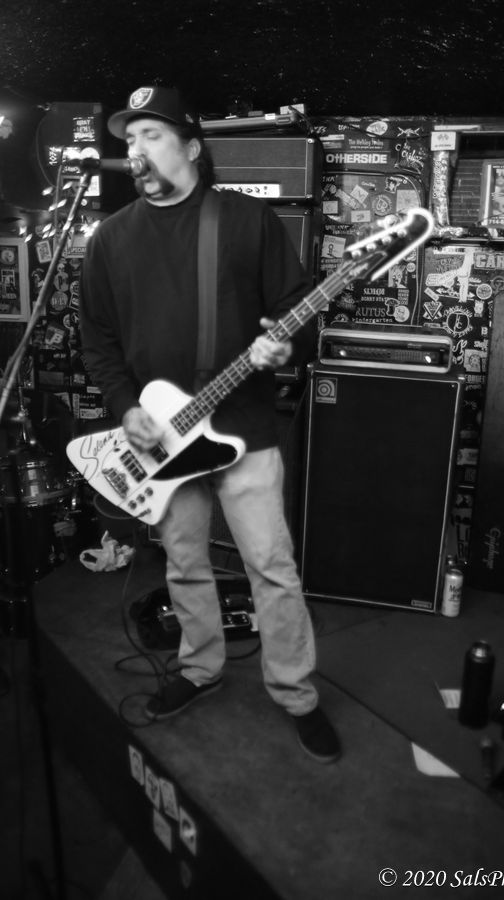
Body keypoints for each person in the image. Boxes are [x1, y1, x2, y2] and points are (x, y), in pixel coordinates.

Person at [78, 85, 341, 764]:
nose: (136, 149)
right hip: (161, 440)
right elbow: (98, 339)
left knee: (270, 566)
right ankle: (199, 669)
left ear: (193, 147)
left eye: (152, 135)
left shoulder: (247, 221)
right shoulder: (111, 238)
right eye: (129, 139)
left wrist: (285, 346)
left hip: (242, 425)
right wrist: (125, 407)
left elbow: (298, 312)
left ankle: (296, 693)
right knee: (185, 563)